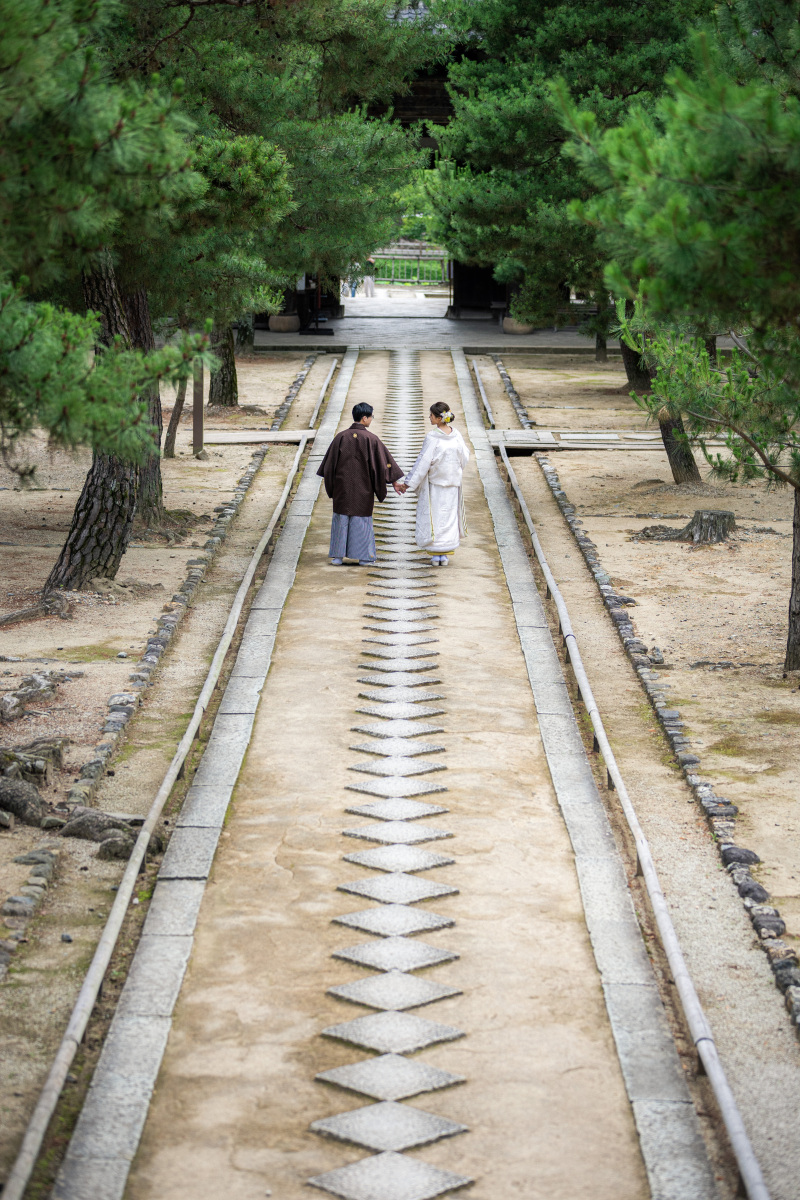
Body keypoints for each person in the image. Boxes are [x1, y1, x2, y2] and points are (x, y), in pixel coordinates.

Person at [317, 402, 405, 565]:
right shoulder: (371, 439)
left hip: (342, 487)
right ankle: (364, 557)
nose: (371, 419)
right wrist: (394, 482)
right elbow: (383, 463)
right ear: (364, 418)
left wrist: (333, 484)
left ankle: (337, 556)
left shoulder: (340, 437)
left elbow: (328, 466)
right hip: (363, 488)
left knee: (341, 518)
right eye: (371, 416)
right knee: (361, 520)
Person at [396, 401, 469, 566]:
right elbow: (464, 458)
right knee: (449, 517)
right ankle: (445, 554)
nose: (429, 417)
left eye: (431, 415)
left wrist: (408, 484)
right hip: (452, 484)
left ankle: (437, 554)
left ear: (438, 418)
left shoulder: (432, 437)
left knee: (435, 517)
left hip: (436, 485)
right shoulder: (457, 435)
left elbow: (422, 463)